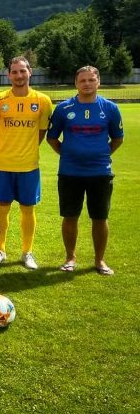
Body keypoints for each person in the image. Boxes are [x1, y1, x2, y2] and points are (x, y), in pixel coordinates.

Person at [47, 66, 124, 276]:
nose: (87, 84)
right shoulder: (63, 108)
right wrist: (68, 154)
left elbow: (118, 138)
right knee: (70, 216)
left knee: (100, 217)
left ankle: (99, 260)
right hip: (70, 172)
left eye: (91, 80)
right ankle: (70, 258)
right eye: (82, 80)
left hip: (100, 172)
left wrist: (101, 154)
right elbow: (52, 138)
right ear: (76, 83)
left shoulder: (110, 108)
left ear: (98, 82)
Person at [0, 57, 52, 270]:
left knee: (28, 209)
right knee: (1, 209)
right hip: (2, 165)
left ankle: (27, 252)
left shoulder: (43, 101)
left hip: (29, 166)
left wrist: (26, 149)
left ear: (30, 72)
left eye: (22, 71)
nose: (18, 75)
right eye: (14, 72)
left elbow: (41, 132)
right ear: (8, 75)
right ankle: (0, 250)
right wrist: (9, 149)